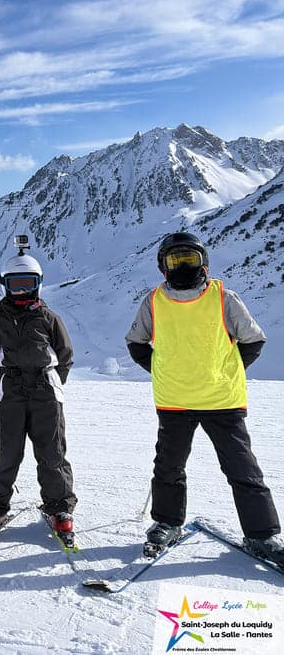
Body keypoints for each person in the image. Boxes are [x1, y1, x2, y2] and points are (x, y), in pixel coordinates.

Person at [126, 232, 283, 562]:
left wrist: (225, 369)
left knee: (243, 470)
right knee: (168, 467)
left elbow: (253, 340)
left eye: (190, 258)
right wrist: (164, 370)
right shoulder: (154, 302)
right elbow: (136, 343)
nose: (184, 265)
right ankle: (166, 523)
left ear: (204, 263)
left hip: (222, 400)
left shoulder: (225, 297)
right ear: (163, 267)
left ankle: (262, 537)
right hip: (174, 399)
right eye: (175, 260)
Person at [0, 240, 76, 542]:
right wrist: (3, 381)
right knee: (6, 452)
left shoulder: (47, 318)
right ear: (4, 286)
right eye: (15, 285)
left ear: (38, 285)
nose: (21, 292)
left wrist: (54, 381)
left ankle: (59, 509)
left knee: (51, 452)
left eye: (27, 285)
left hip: (45, 391)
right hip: (13, 392)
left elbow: (66, 354)